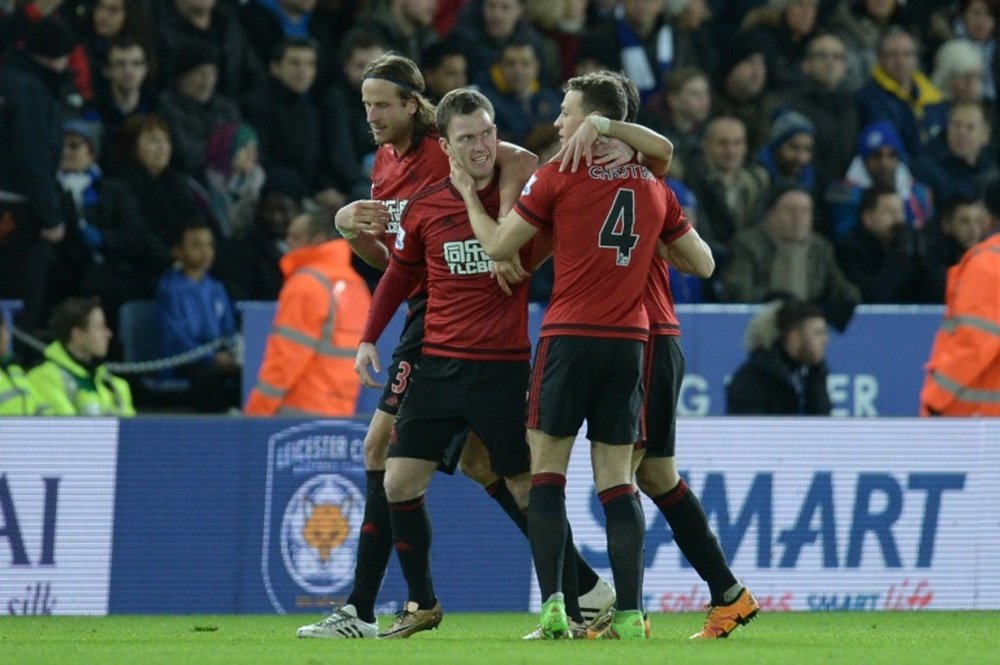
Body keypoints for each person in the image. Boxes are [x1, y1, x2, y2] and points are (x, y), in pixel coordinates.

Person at [295, 53, 613, 640]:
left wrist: (510, 241)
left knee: (377, 450)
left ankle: (364, 609)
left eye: (382, 104)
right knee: (471, 462)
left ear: (414, 107)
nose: (371, 115)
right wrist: (348, 228)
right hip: (431, 312)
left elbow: (519, 161)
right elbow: (398, 262)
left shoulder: (448, 148)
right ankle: (585, 587)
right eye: (365, 104)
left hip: (461, 330)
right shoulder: (385, 166)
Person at [457, 72, 711, 640]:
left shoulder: (556, 176)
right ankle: (628, 612)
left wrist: (470, 196)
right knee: (617, 484)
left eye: (567, 113)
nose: (558, 123)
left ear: (593, 121)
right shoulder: (652, 185)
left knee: (545, 475)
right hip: (629, 345)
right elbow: (706, 263)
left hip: (568, 338)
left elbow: (499, 246)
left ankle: (555, 609)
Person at [351, 88, 545, 639]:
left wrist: (511, 232)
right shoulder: (427, 204)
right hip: (437, 363)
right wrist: (369, 337)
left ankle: (570, 600)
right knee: (399, 480)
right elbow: (397, 273)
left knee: (527, 487)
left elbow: (531, 174)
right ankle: (422, 604)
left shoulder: (524, 201)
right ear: (447, 145)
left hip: (501, 366)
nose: (482, 145)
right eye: (467, 138)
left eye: (488, 133)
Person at [245, 209, 370, 417]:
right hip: (343, 412)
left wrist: (256, 413)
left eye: (295, 236)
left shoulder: (306, 284)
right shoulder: (356, 286)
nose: (287, 243)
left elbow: (285, 359)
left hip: (297, 410)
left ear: (317, 238)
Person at [0, 16, 74, 332]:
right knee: (21, 303)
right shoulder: (30, 89)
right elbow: (31, 158)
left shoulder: (10, 78)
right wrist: (50, 217)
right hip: (18, 212)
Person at [720, 185, 860, 331]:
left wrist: (848, 296)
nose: (798, 217)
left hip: (806, 325)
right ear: (771, 214)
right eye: (790, 210)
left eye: (805, 211)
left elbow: (840, 286)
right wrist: (771, 299)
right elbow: (735, 290)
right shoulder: (747, 244)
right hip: (759, 324)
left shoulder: (820, 248)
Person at [920, 181, 1000, 416]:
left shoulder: (989, 264)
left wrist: (934, 400)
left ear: (986, 213)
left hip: (976, 424)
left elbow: (974, 342)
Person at [156, 220, 240, 413]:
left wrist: (232, 355)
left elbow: (229, 329)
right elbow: (176, 340)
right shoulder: (169, 290)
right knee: (209, 376)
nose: (205, 252)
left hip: (220, 359)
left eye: (209, 245)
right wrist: (213, 358)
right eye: (196, 245)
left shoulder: (217, 288)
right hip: (185, 362)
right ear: (177, 251)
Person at [27, 297, 135, 416]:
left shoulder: (116, 386)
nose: (109, 334)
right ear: (77, 334)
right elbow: (67, 430)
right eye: (100, 327)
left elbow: (131, 432)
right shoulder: (43, 377)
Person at [726, 299, 832, 415]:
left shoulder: (809, 374)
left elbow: (821, 424)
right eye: (818, 333)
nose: (825, 340)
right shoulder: (754, 378)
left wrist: (817, 374)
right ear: (794, 337)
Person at [836, 186, 936, 304]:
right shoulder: (850, 248)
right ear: (867, 219)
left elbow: (934, 294)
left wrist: (922, 257)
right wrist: (900, 256)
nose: (898, 219)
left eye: (900, 211)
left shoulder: (910, 240)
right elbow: (870, 297)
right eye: (889, 212)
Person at [0, 315, 49, 416]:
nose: (6, 336)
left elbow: (40, 408)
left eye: (5, 330)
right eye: (4, 331)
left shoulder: (14, 371)